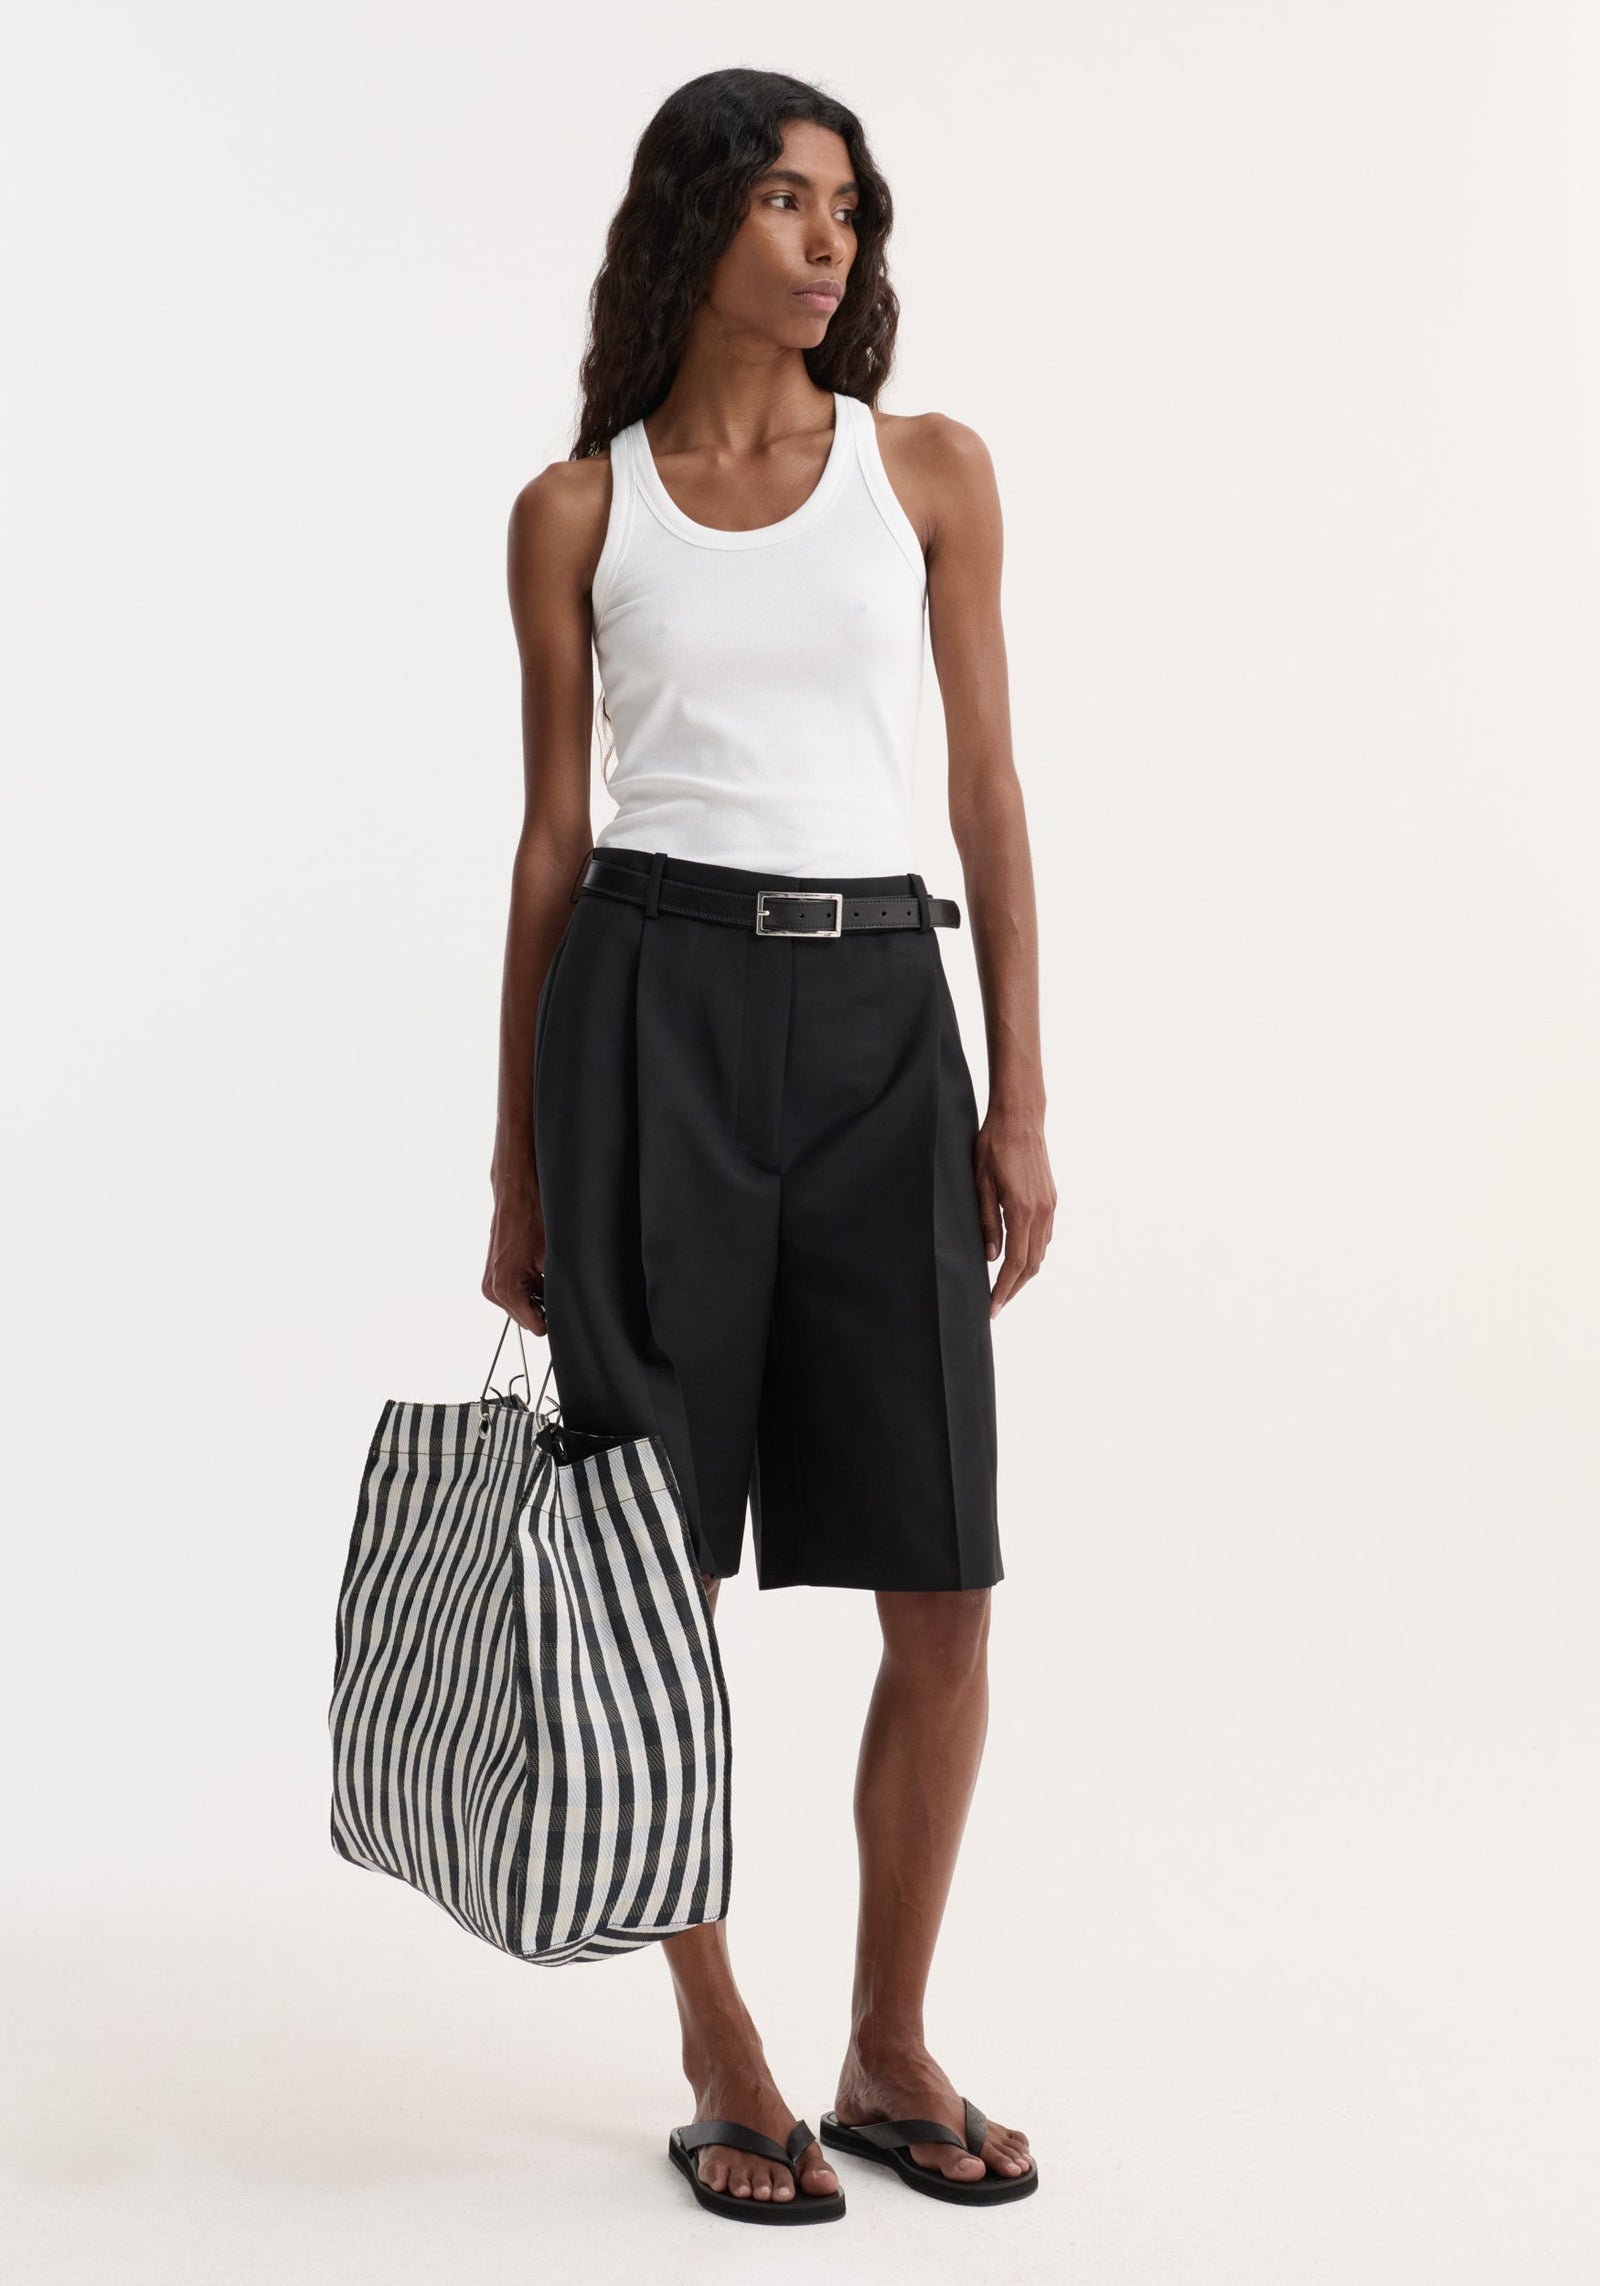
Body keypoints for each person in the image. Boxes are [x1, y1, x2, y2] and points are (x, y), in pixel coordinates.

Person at [483, 67, 1055, 2225]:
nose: (829, 244)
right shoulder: (573, 510)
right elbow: (549, 844)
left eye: (849, 210)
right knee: (653, 1574)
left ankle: (885, 2040)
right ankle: (720, 2041)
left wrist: (1017, 1087)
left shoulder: (924, 475)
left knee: (942, 1570)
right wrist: (515, 1171)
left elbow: (985, 795)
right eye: (788, 202)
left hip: (881, 1028)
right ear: (695, 217)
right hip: (648, 1017)